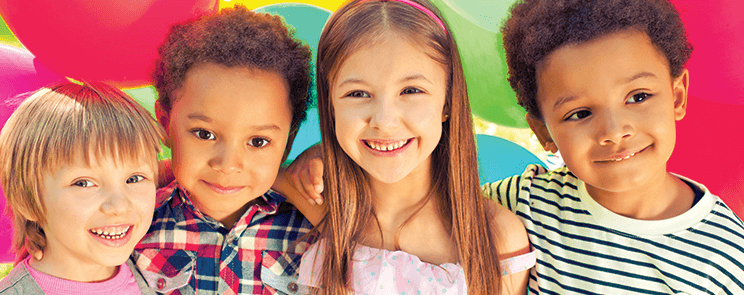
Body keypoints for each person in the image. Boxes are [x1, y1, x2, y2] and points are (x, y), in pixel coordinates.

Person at [479, 0, 744, 293]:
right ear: (544, 133)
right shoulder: (521, 203)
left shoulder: (727, 255)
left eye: (638, 97)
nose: (615, 132)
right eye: (580, 114)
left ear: (677, 97)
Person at [273, 0, 533, 294]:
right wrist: (318, 153)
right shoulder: (317, 197)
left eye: (411, 91)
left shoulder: (496, 237)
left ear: (447, 101)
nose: (384, 122)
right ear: (331, 105)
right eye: (357, 93)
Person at [131, 5, 316, 294]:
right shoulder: (133, 222)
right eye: (204, 134)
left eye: (258, 142)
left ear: (288, 141)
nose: (228, 164)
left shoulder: (315, 228)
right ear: (166, 124)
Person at [0, 81, 164, 294]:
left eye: (134, 179)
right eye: (84, 183)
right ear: (28, 201)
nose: (119, 205)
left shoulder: (160, 270)